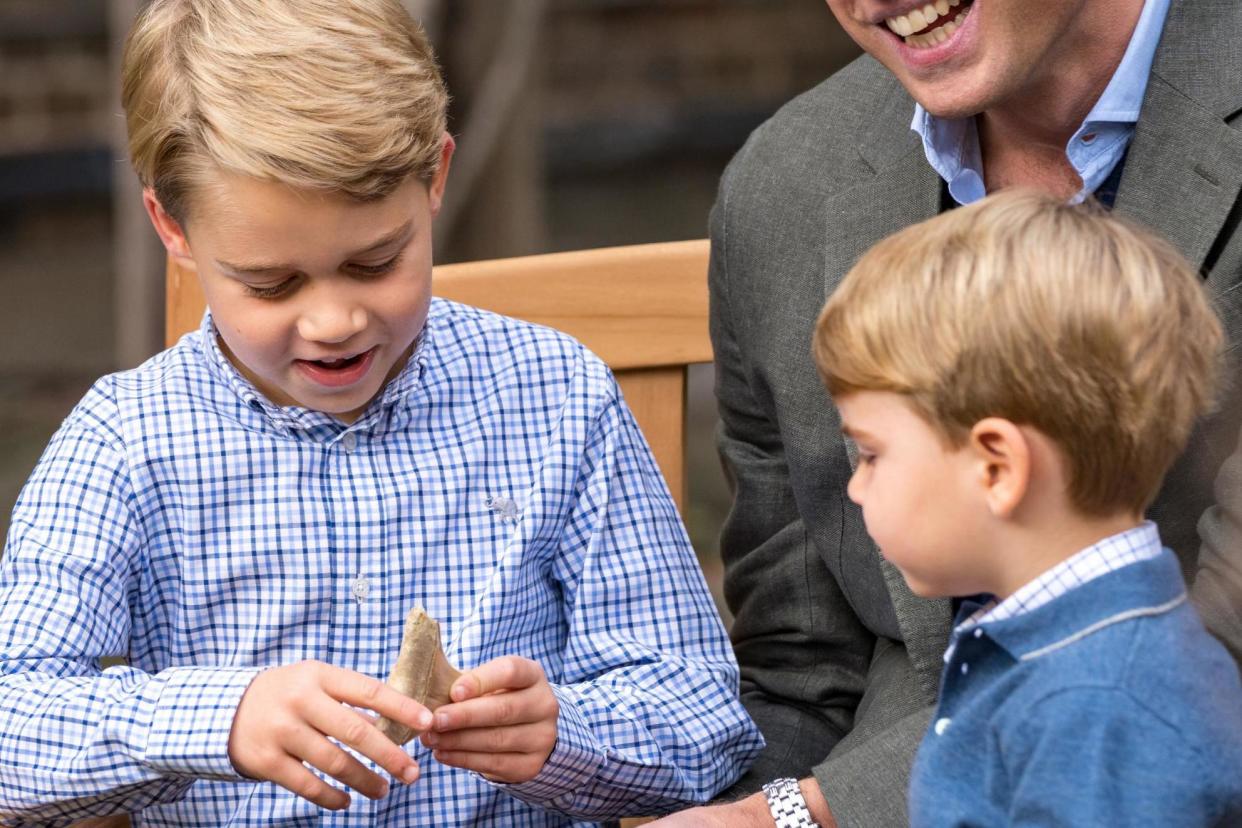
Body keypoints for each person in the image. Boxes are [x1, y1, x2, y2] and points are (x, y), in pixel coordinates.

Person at [0, 1, 763, 824]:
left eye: (375, 262)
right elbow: (14, 732)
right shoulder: (123, 443)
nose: (334, 322)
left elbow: (703, 717)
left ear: (435, 177)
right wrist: (220, 720)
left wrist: (564, 736)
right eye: (271, 284)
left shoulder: (555, 395)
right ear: (172, 227)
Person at [654, 0, 1242, 824]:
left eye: (873, 455)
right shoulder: (784, 187)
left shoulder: (1125, 711)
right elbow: (805, 666)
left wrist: (805, 814)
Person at [815, 190, 1242, 825]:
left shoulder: (1104, 712)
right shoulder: (1051, 644)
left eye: (873, 453)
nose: (855, 486)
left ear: (997, 466)